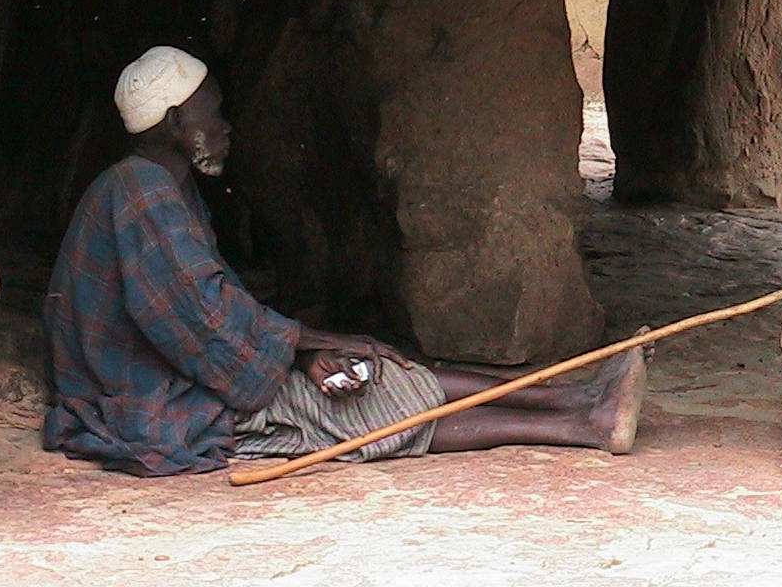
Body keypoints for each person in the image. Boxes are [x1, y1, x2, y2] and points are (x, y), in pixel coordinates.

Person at [43, 46, 649, 476]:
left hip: (173, 378)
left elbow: (212, 313)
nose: (226, 126)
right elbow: (203, 322)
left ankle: (573, 399)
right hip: (155, 401)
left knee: (367, 368)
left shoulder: (154, 186)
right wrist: (304, 345)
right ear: (177, 122)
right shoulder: (142, 194)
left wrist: (300, 346)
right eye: (214, 111)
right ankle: (579, 421)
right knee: (367, 394)